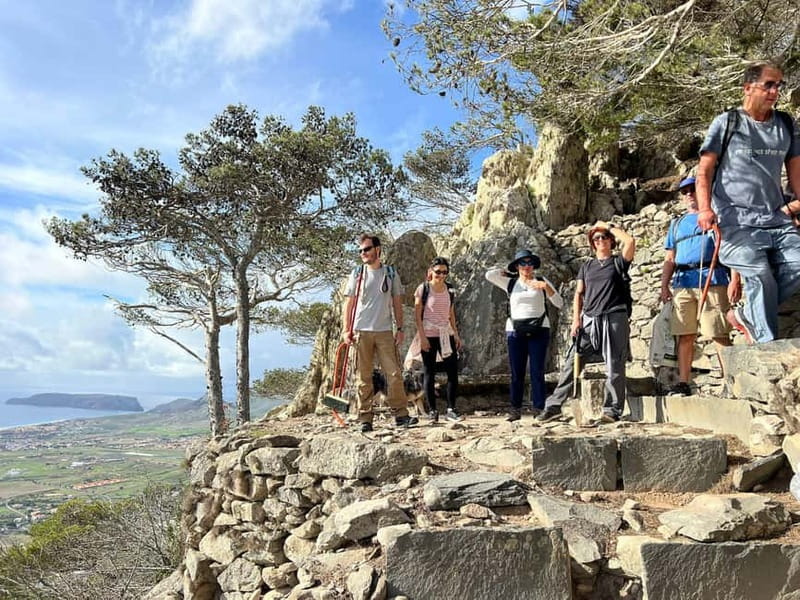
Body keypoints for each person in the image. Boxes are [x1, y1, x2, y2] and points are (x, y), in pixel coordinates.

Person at [696, 61, 800, 344]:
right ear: (747, 88)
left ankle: (747, 316)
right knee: (759, 273)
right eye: (769, 84)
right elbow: (704, 170)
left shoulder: (787, 124)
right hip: (735, 221)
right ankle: (767, 346)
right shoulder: (727, 122)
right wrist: (705, 209)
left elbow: (795, 172)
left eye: (779, 85)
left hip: (776, 219)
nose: (775, 90)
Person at [538, 222, 636, 423]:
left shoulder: (618, 262)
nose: (601, 240)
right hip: (590, 319)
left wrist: (608, 227)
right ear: (592, 244)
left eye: (604, 237)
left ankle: (612, 410)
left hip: (614, 316)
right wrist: (576, 319)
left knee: (614, 364)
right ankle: (554, 406)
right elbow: (579, 294)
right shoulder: (587, 266)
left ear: (611, 240)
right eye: (596, 238)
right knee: (571, 362)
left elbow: (630, 241)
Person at [659, 176, 742, 395]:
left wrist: (735, 278)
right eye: (684, 192)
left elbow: (729, 250)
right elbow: (670, 256)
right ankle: (684, 383)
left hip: (712, 279)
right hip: (683, 282)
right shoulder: (676, 224)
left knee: (718, 332)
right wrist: (664, 285)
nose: (688, 195)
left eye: (692, 190)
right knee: (684, 334)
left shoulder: (717, 217)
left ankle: (730, 383)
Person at [343, 234, 418, 432]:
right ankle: (365, 419)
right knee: (363, 377)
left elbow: (397, 303)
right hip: (361, 331)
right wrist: (346, 329)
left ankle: (401, 415)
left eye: (366, 249)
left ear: (377, 249)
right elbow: (349, 303)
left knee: (394, 374)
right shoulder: (357, 273)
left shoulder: (391, 273)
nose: (363, 253)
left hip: (384, 330)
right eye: (360, 250)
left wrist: (400, 328)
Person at [486, 250, 563, 422]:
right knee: (516, 372)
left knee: (537, 370)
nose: (526, 267)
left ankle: (539, 408)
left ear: (534, 266)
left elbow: (559, 303)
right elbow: (489, 275)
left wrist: (546, 288)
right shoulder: (511, 284)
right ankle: (515, 409)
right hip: (515, 329)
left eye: (529, 263)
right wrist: (507, 270)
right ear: (517, 266)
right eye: (522, 263)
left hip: (539, 328)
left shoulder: (542, 281)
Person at [411, 257, 463, 423]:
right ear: (431, 272)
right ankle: (432, 410)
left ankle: (451, 408)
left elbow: (451, 313)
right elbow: (417, 315)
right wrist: (422, 337)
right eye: (438, 272)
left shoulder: (450, 290)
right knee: (429, 373)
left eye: (444, 272)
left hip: (445, 334)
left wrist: (455, 334)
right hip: (429, 334)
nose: (441, 275)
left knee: (452, 373)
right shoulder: (423, 289)